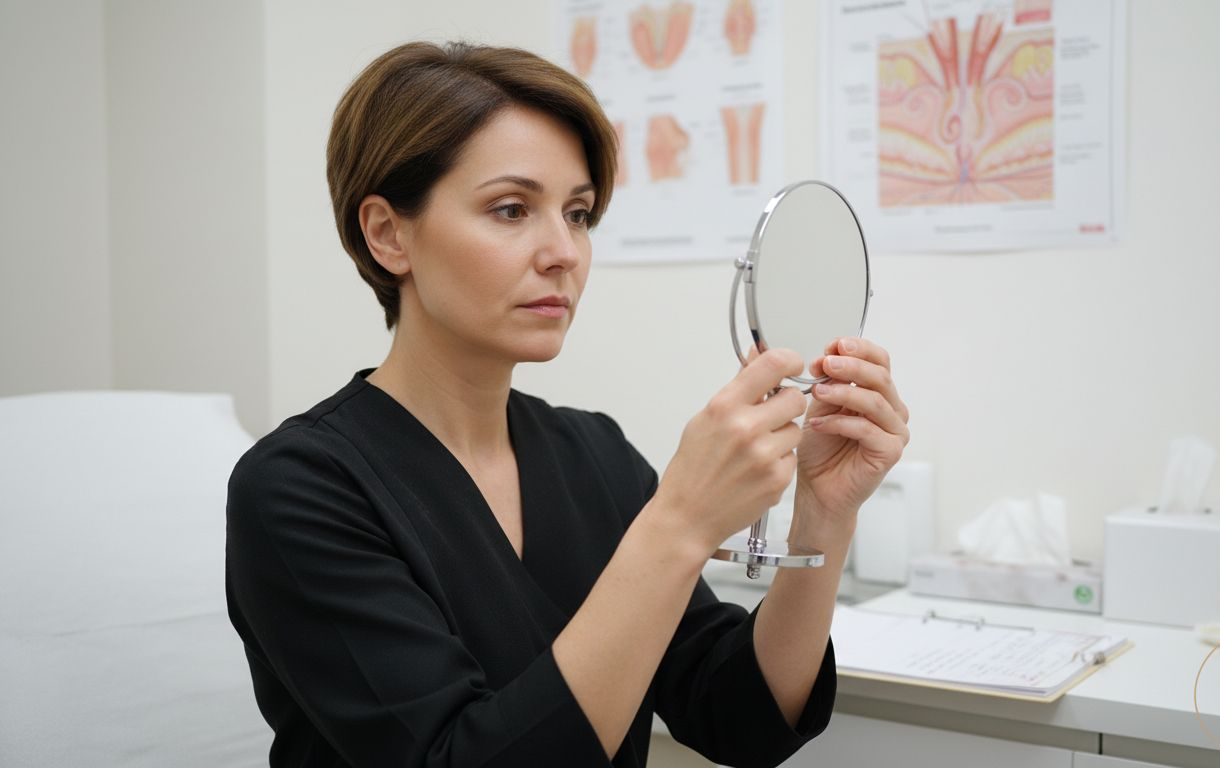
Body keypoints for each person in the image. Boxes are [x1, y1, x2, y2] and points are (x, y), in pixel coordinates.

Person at [225, 41, 910, 768]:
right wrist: (679, 524)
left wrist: (824, 517)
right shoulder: (299, 488)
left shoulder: (594, 457)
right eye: (511, 208)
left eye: (578, 214)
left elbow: (736, 716)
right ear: (389, 234)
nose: (564, 252)